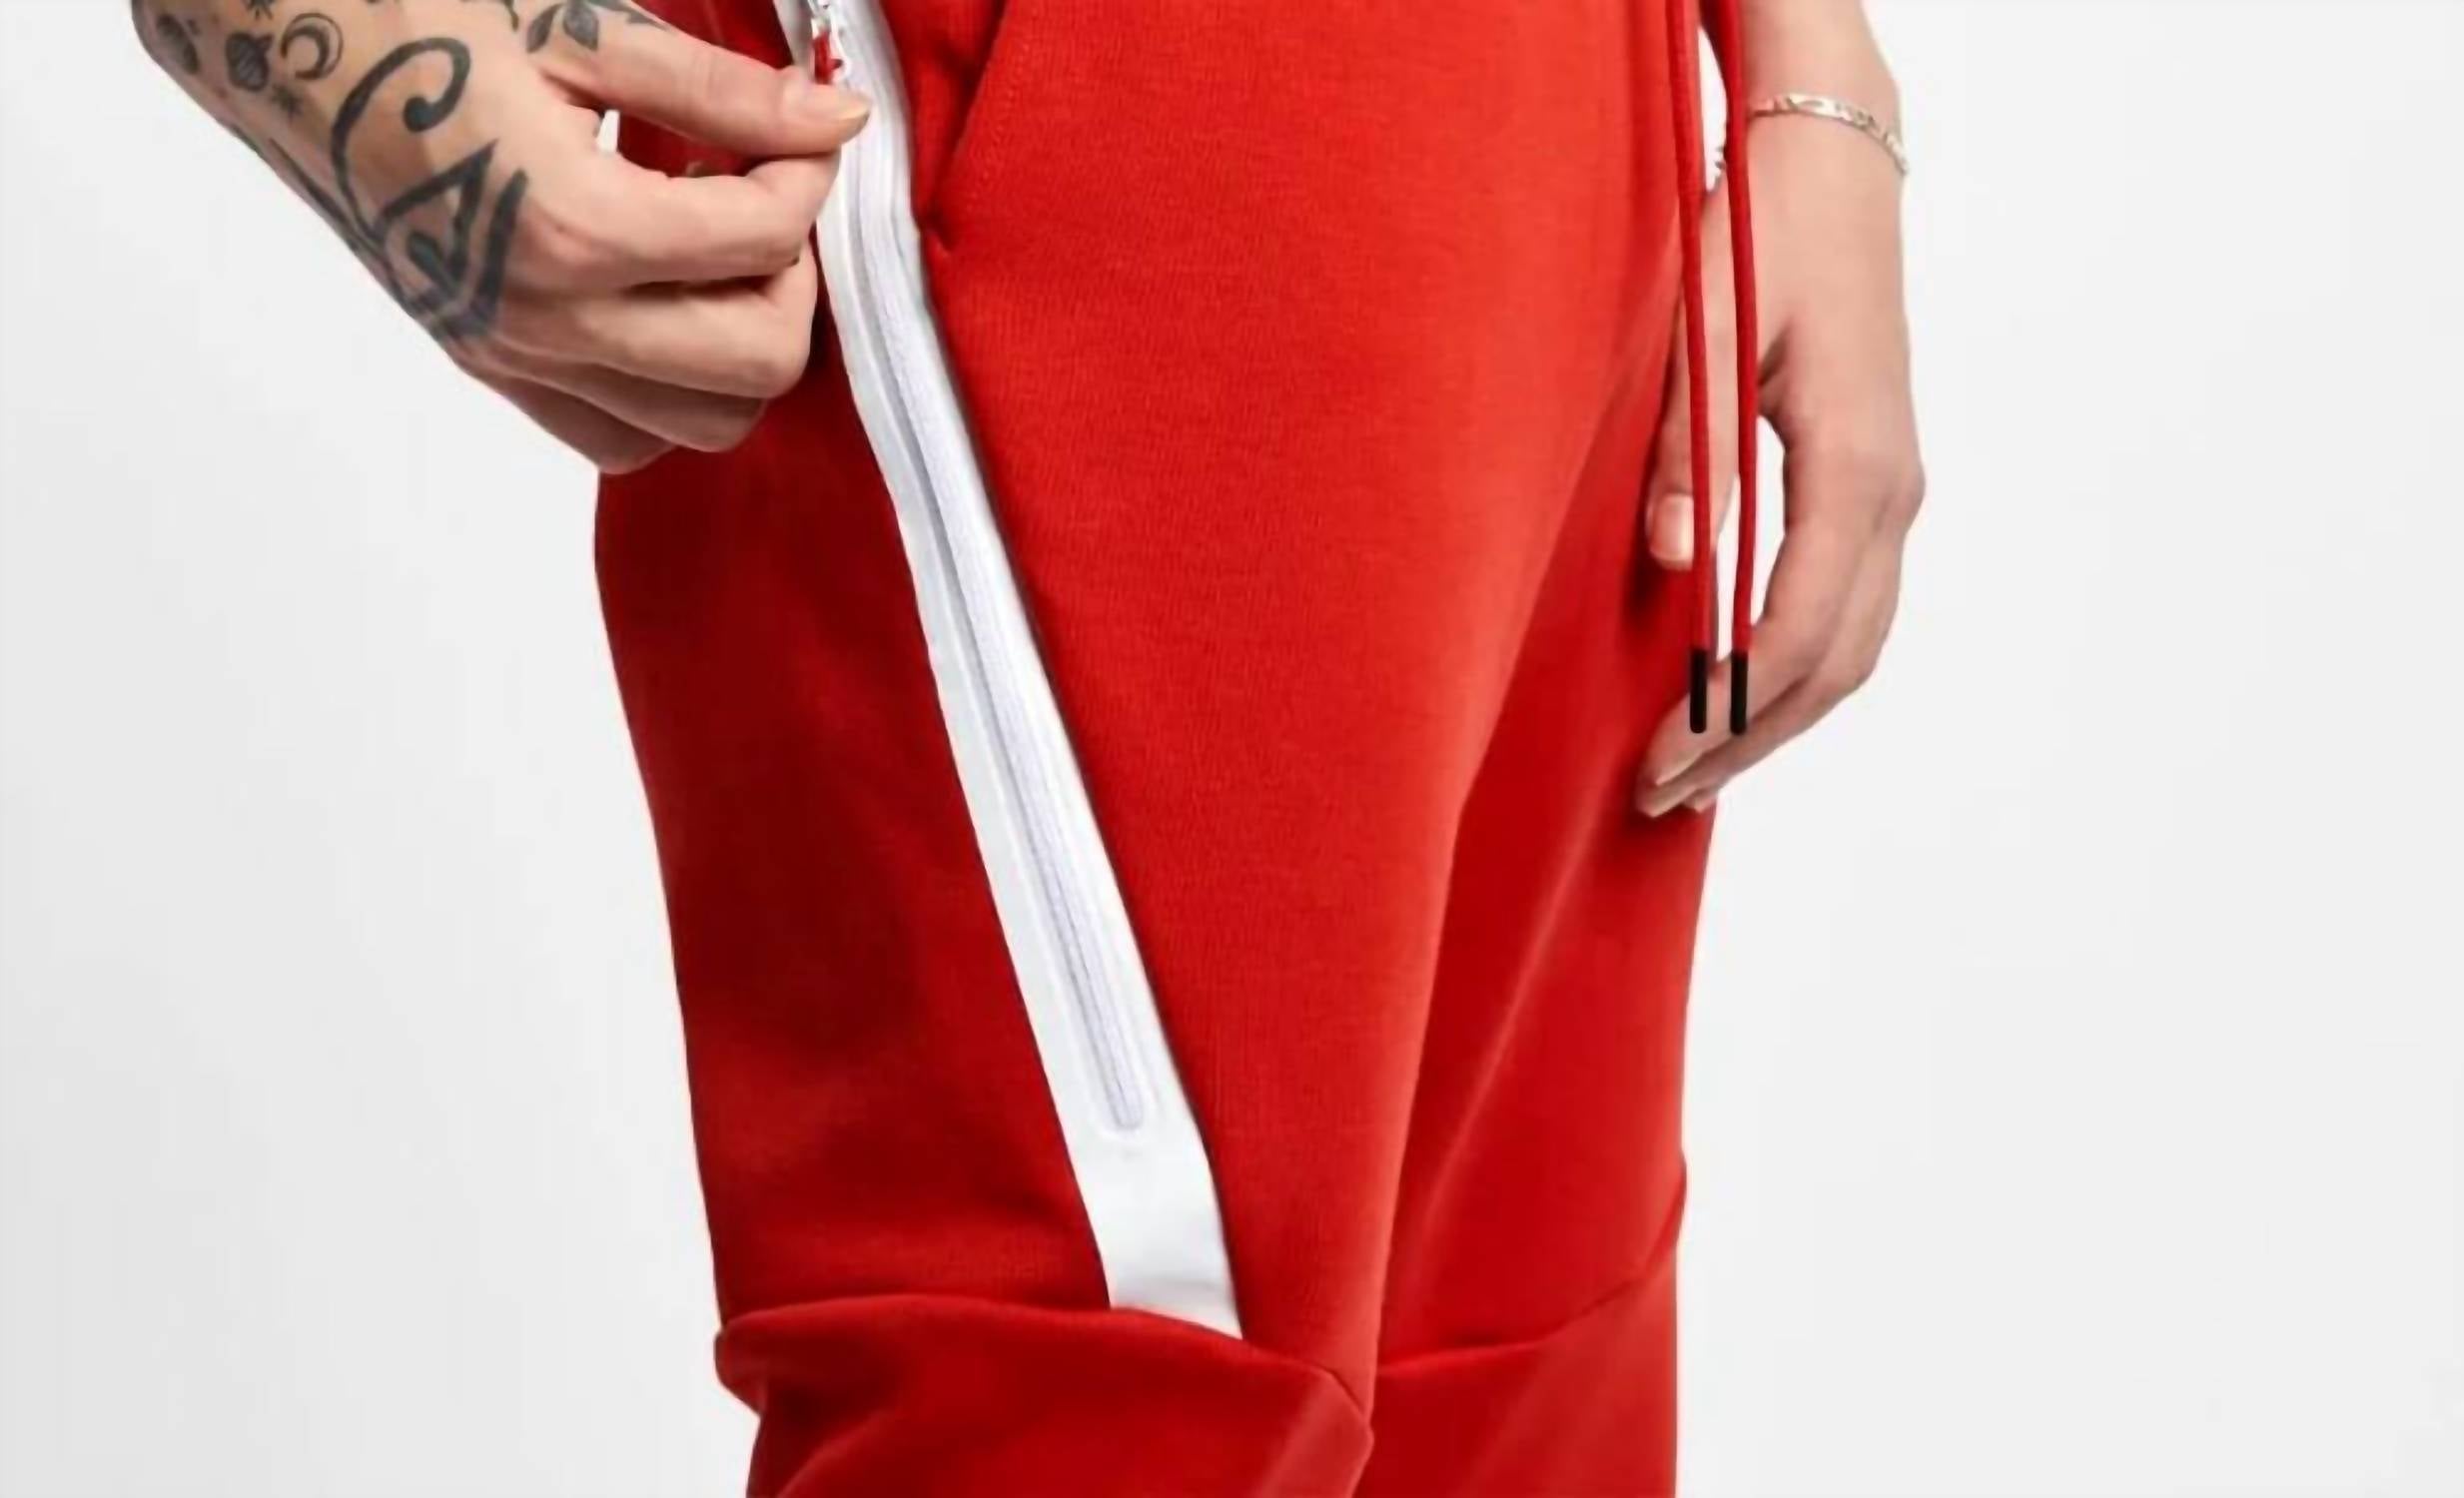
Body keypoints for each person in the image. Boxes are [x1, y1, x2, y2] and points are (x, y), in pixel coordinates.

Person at [137, 0, 1923, 1489]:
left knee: (1511, 1392)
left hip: (1572, 145)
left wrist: (1812, 68)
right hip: (1083, 141)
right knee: (1113, 1392)